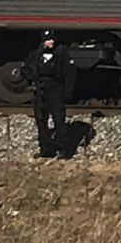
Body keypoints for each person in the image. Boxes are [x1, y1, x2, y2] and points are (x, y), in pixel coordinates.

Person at [23, 30, 76, 159]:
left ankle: (63, 149)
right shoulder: (36, 54)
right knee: (41, 119)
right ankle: (45, 148)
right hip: (40, 90)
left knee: (58, 119)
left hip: (55, 89)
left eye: (52, 39)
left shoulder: (62, 54)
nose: (50, 42)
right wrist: (31, 79)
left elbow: (70, 74)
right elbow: (27, 69)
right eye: (48, 40)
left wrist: (67, 91)